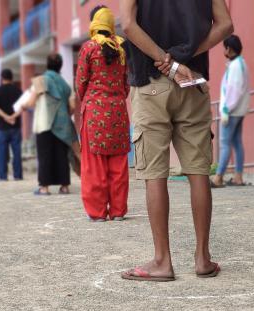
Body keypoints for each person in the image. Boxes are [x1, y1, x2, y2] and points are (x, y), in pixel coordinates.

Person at [119, 0, 233, 281]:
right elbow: (226, 25)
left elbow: (129, 25)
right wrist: (183, 56)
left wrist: (167, 62)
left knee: (155, 174)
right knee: (198, 172)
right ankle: (203, 258)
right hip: (192, 79)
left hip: (151, 81)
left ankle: (162, 261)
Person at [75, 5, 130, 222]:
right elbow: (126, 85)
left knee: (95, 165)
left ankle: (98, 212)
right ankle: (117, 211)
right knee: (118, 165)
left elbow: (80, 83)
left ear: (94, 23)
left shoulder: (88, 48)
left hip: (95, 115)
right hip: (118, 112)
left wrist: (91, 98)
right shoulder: (122, 49)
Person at [20, 54, 77, 195]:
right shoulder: (66, 84)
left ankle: (44, 188)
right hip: (63, 125)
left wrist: (23, 105)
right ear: (61, 65)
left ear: (47, 64)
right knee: (62, 155)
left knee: (45, 155)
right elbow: (72, 107)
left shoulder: (41, 80)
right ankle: (64, 186)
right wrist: (62, 115)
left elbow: (32, 102)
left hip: (44, 123)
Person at [211, 35, 249, 187]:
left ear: (229, 48)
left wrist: (226, 109)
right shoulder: (240, 63)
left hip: (231, 111)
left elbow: (234, 90)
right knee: (237, 143)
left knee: (225, 143)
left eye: (225, 47)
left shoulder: (235, 66)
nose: (224, 51)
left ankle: (218, 177)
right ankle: (238, 177)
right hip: (239, 110)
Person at [0, 69, 23, 181]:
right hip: (15, 126)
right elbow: (22, 107)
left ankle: (2, 175)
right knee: (17, 152)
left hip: (2, 127)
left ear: (2, 78)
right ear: (12, 78)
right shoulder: (18, 91)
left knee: (2, 152)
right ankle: (18, 175)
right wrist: (13, 117)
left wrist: (6, 117)